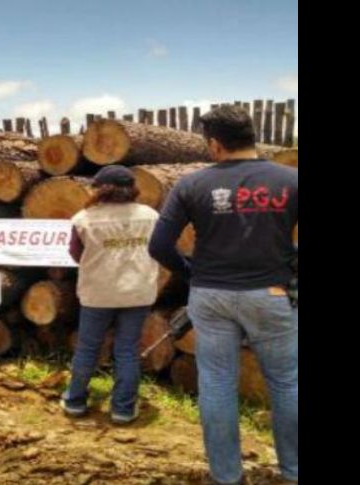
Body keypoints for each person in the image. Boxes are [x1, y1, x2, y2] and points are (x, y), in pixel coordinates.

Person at [148, 105, 298, 484]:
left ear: (214, 144)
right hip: (270, 292)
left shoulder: (190, 185)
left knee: (216, 382)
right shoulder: (291, 180)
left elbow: (160, 245)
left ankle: (226, 475)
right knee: (285, 382)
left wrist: (192, 274)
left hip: (210, 296)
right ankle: (294, 470)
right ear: (250, 135)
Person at [61, 165, 160, 424]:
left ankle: (75, 401)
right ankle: (123, 409)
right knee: (127, 350)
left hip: (98, 292)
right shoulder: (150, 215)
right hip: (137, 292)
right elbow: (161, 247)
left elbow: (74, 253)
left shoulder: (84, 218)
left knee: (88, 347)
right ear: (132, 188)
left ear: (99, 188)